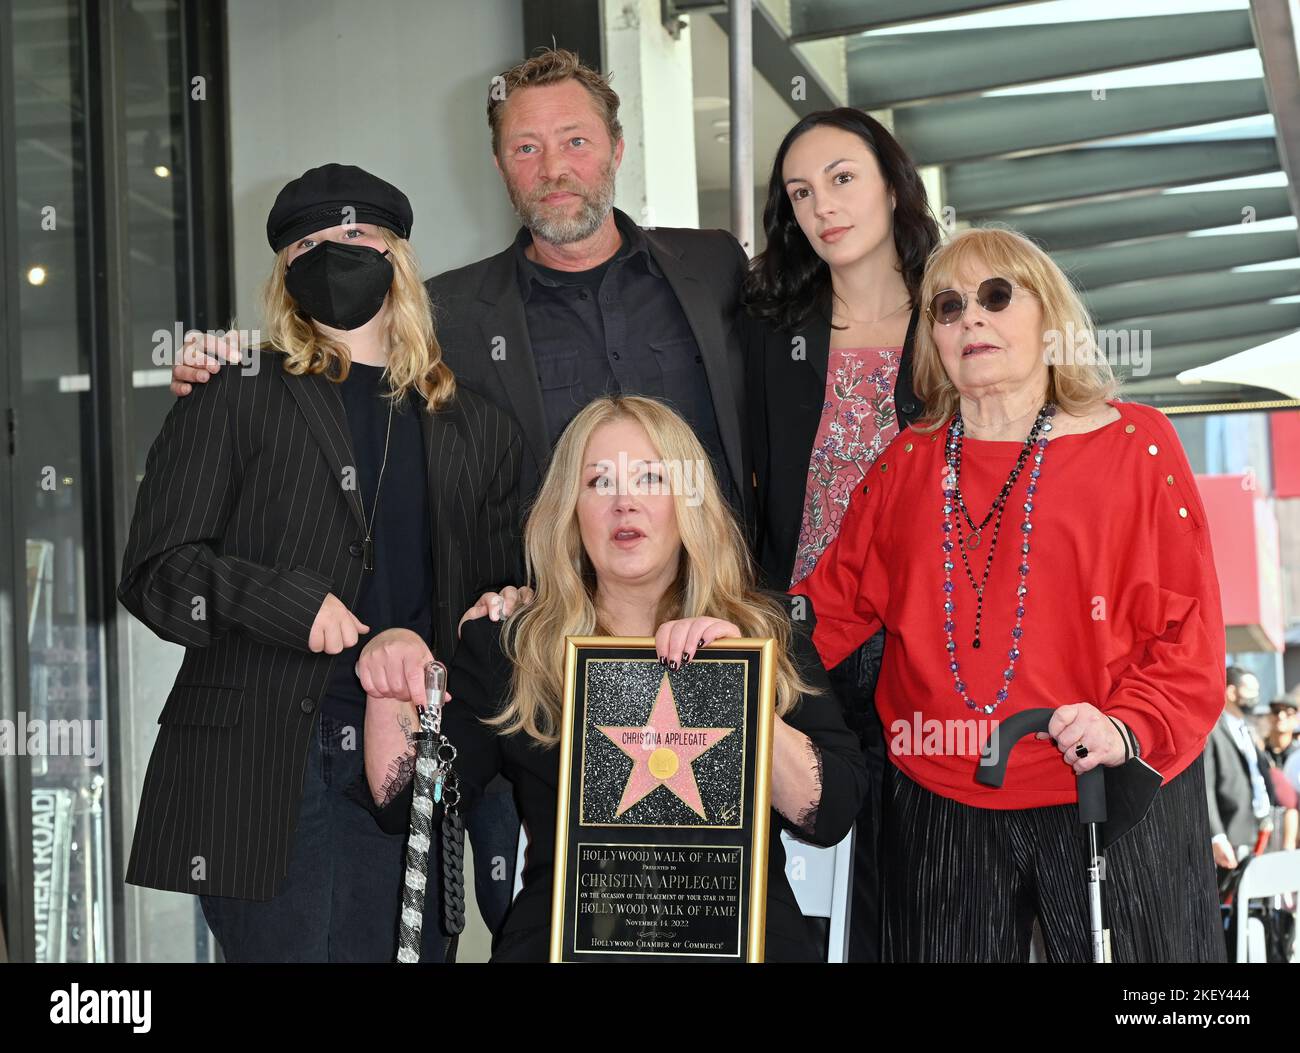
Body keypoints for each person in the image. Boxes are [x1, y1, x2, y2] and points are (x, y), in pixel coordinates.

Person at [166, 48, 754, 931]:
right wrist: (224, 358)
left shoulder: (713, 272)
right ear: (499, 165)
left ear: (618, 147)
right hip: (520, 684)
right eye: (526, 148)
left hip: (697, 647)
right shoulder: (450, 317)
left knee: (696, 918)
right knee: (545, 916)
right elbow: (330, 372)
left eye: (574, 141)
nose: (553, 167)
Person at [118, 164, 522, 962]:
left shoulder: (477, 425)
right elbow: (156, 571)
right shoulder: (234, 391)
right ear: (285, 271)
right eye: (309, 242)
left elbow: (506, 592)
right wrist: (289, 604)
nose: (335, 253)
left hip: (409, 751)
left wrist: (506, 610)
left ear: (396, 257)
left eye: (356, 236)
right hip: (265, 761)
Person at [792, 225, 1227, 962]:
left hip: (1108, 790)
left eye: (996, 296)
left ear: (1049, 317)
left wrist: (1129, 727)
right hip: (939, 800)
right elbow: (824, 612)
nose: (972, 318)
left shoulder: (1138, 443)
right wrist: (722, 645)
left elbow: (1191, 636)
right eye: (948, 306)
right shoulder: (907, 462)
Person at [349, 396, 868, 961]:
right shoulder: (514, 647)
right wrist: (389, 681)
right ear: (569, 511)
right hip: (564, 941)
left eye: (650, 478)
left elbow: (830, 812)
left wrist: (734, 689)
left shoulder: (763, 633)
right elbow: (409, 807)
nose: (625, 502)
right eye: (599, 482)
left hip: (745, 940)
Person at [742, 107, 941, 961]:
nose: (822, 204)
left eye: (842, 177)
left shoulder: (955, 316)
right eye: (800, 191)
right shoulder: (766, 328)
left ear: (893, 183)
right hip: (803, 642)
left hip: (927, 645)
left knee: (930, 878)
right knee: (818, 875)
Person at [1205, 668, 1279, 880]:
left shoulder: (1247, 729)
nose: (1255, 696)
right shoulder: (1214, 730)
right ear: (1231, 692)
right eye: (1249, 690)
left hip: (1260, 830)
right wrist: (1216, 836)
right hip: (1232, 835)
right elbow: (1207, 787)